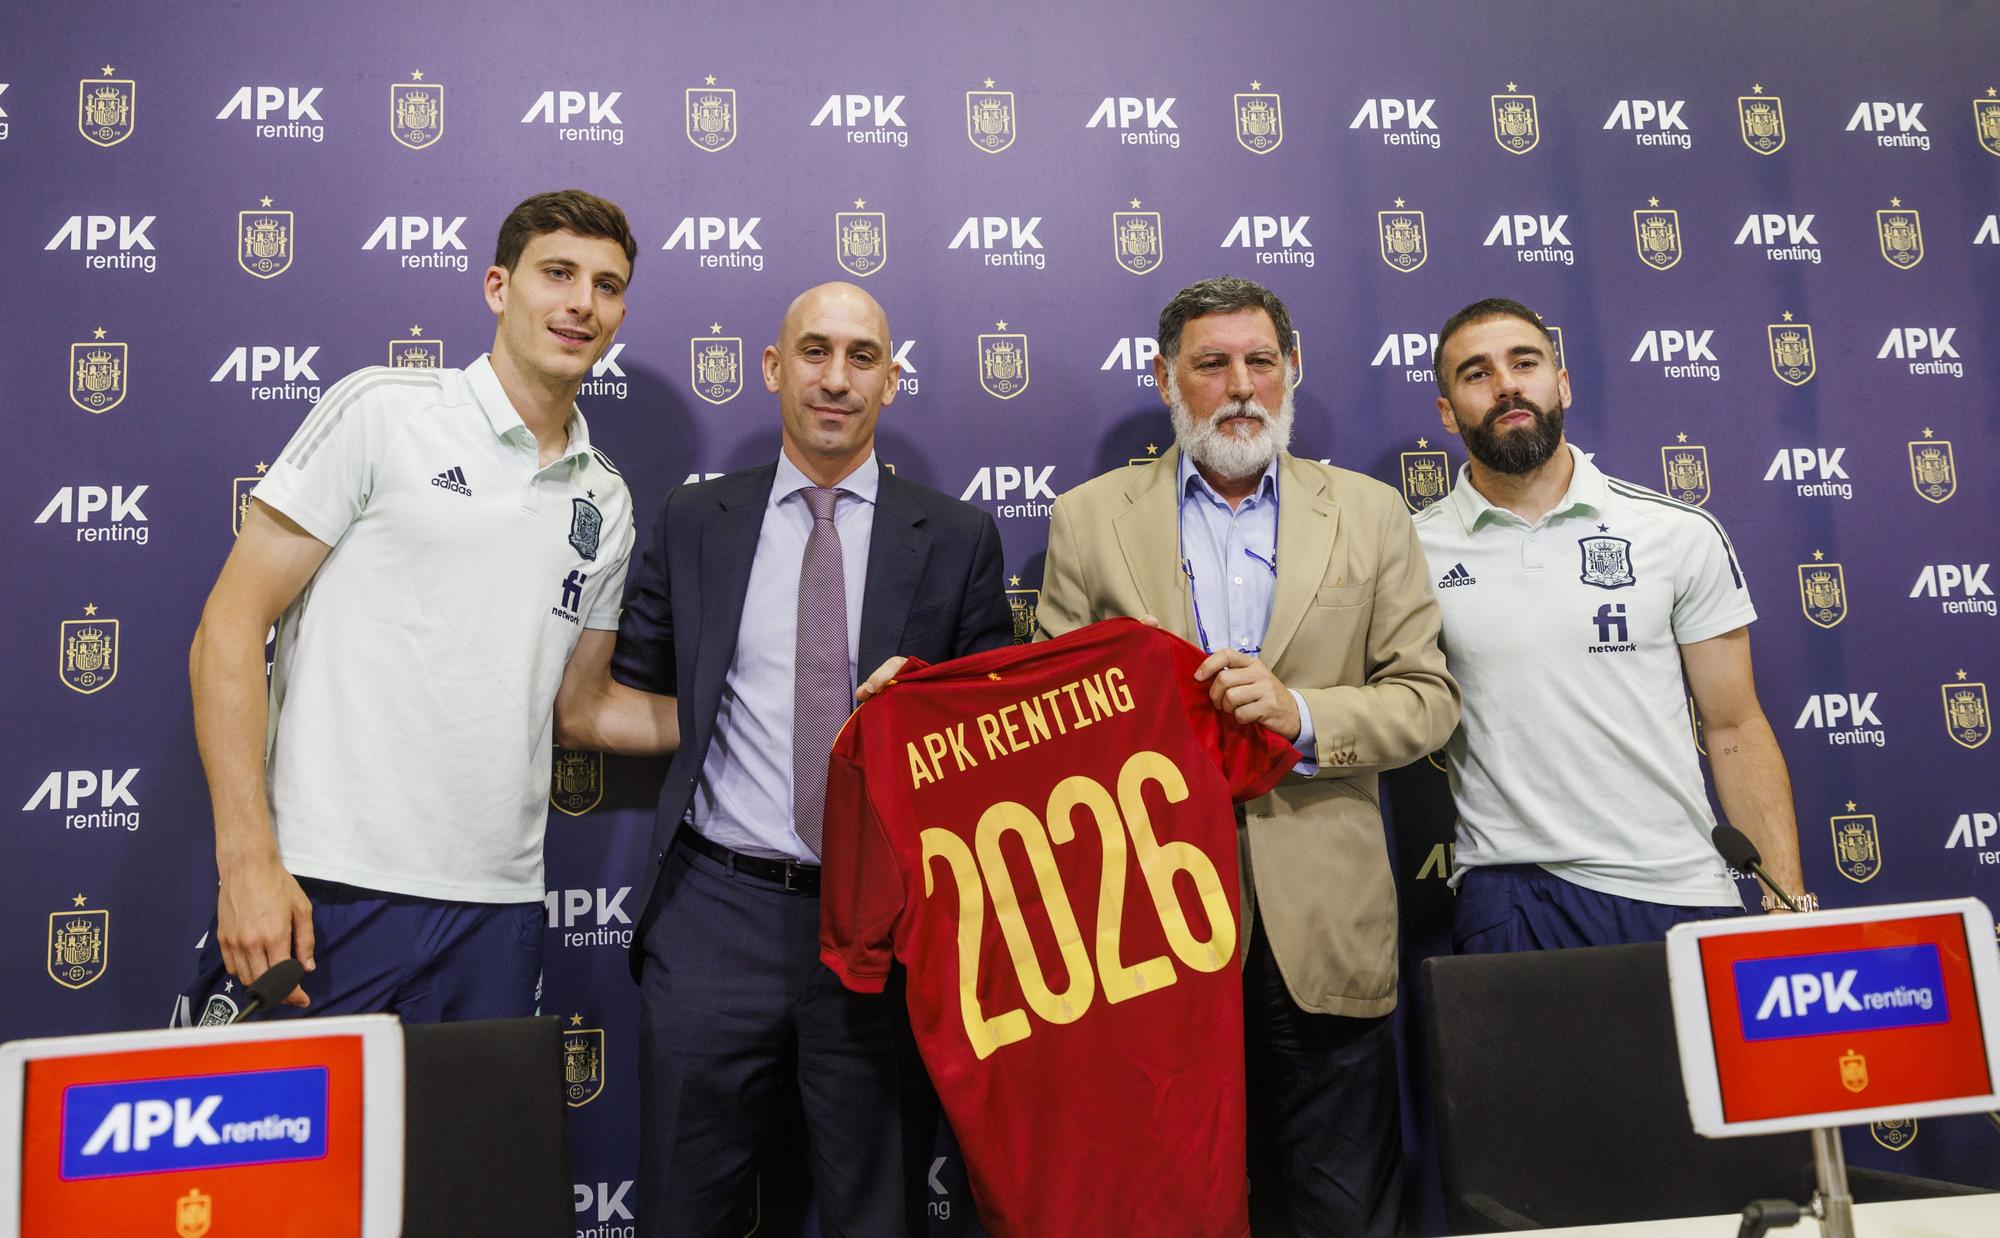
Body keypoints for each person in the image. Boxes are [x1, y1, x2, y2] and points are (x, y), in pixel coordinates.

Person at [555, 281, 1013, 1238]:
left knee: (876, 1212)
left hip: (884, 927)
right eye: (813, 352)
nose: (835, 379)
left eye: (860, 357)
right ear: (772, 368)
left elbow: (991, 752)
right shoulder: (695, 521)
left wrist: (920, 722)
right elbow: (632, 695)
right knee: (683, 1207)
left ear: (891, 378)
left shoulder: (960, 536)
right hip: (716, 915)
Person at [1031, 275, 1460, 1238]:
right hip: (1143, 930)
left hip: (1322, 925)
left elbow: (1426, 701)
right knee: (1163, 1208)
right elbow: (1054, 722)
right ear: (1166, 378)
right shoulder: (1088, 519)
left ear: (1291, 371)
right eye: (1211, 363)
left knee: (1342, 1214)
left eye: (1260, 362)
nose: (1239, 386)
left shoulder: (1370, 512)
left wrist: (1299, 713)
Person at [178, 189, 640, 1025]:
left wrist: (770, 714)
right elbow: (230, 626)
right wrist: (247, 860)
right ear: (499, 288)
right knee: (277, 1157)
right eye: (559, 274)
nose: (582, 303)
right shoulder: (385, 411)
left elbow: (585, 709)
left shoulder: (605, 497)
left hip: (497, 909)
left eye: (607, 286)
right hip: (325, 889)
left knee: (467, 1162)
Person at [1416, 297, 1808, 954]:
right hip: (1513, 890)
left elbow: (1734, 725)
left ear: (1561, 383)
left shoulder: (1676, 532)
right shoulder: (1408, 550)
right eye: (1476, 373)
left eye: (1525, 362)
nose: (1507, 383)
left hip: (1682, 885)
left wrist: (1785, 906)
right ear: (1448, 413)